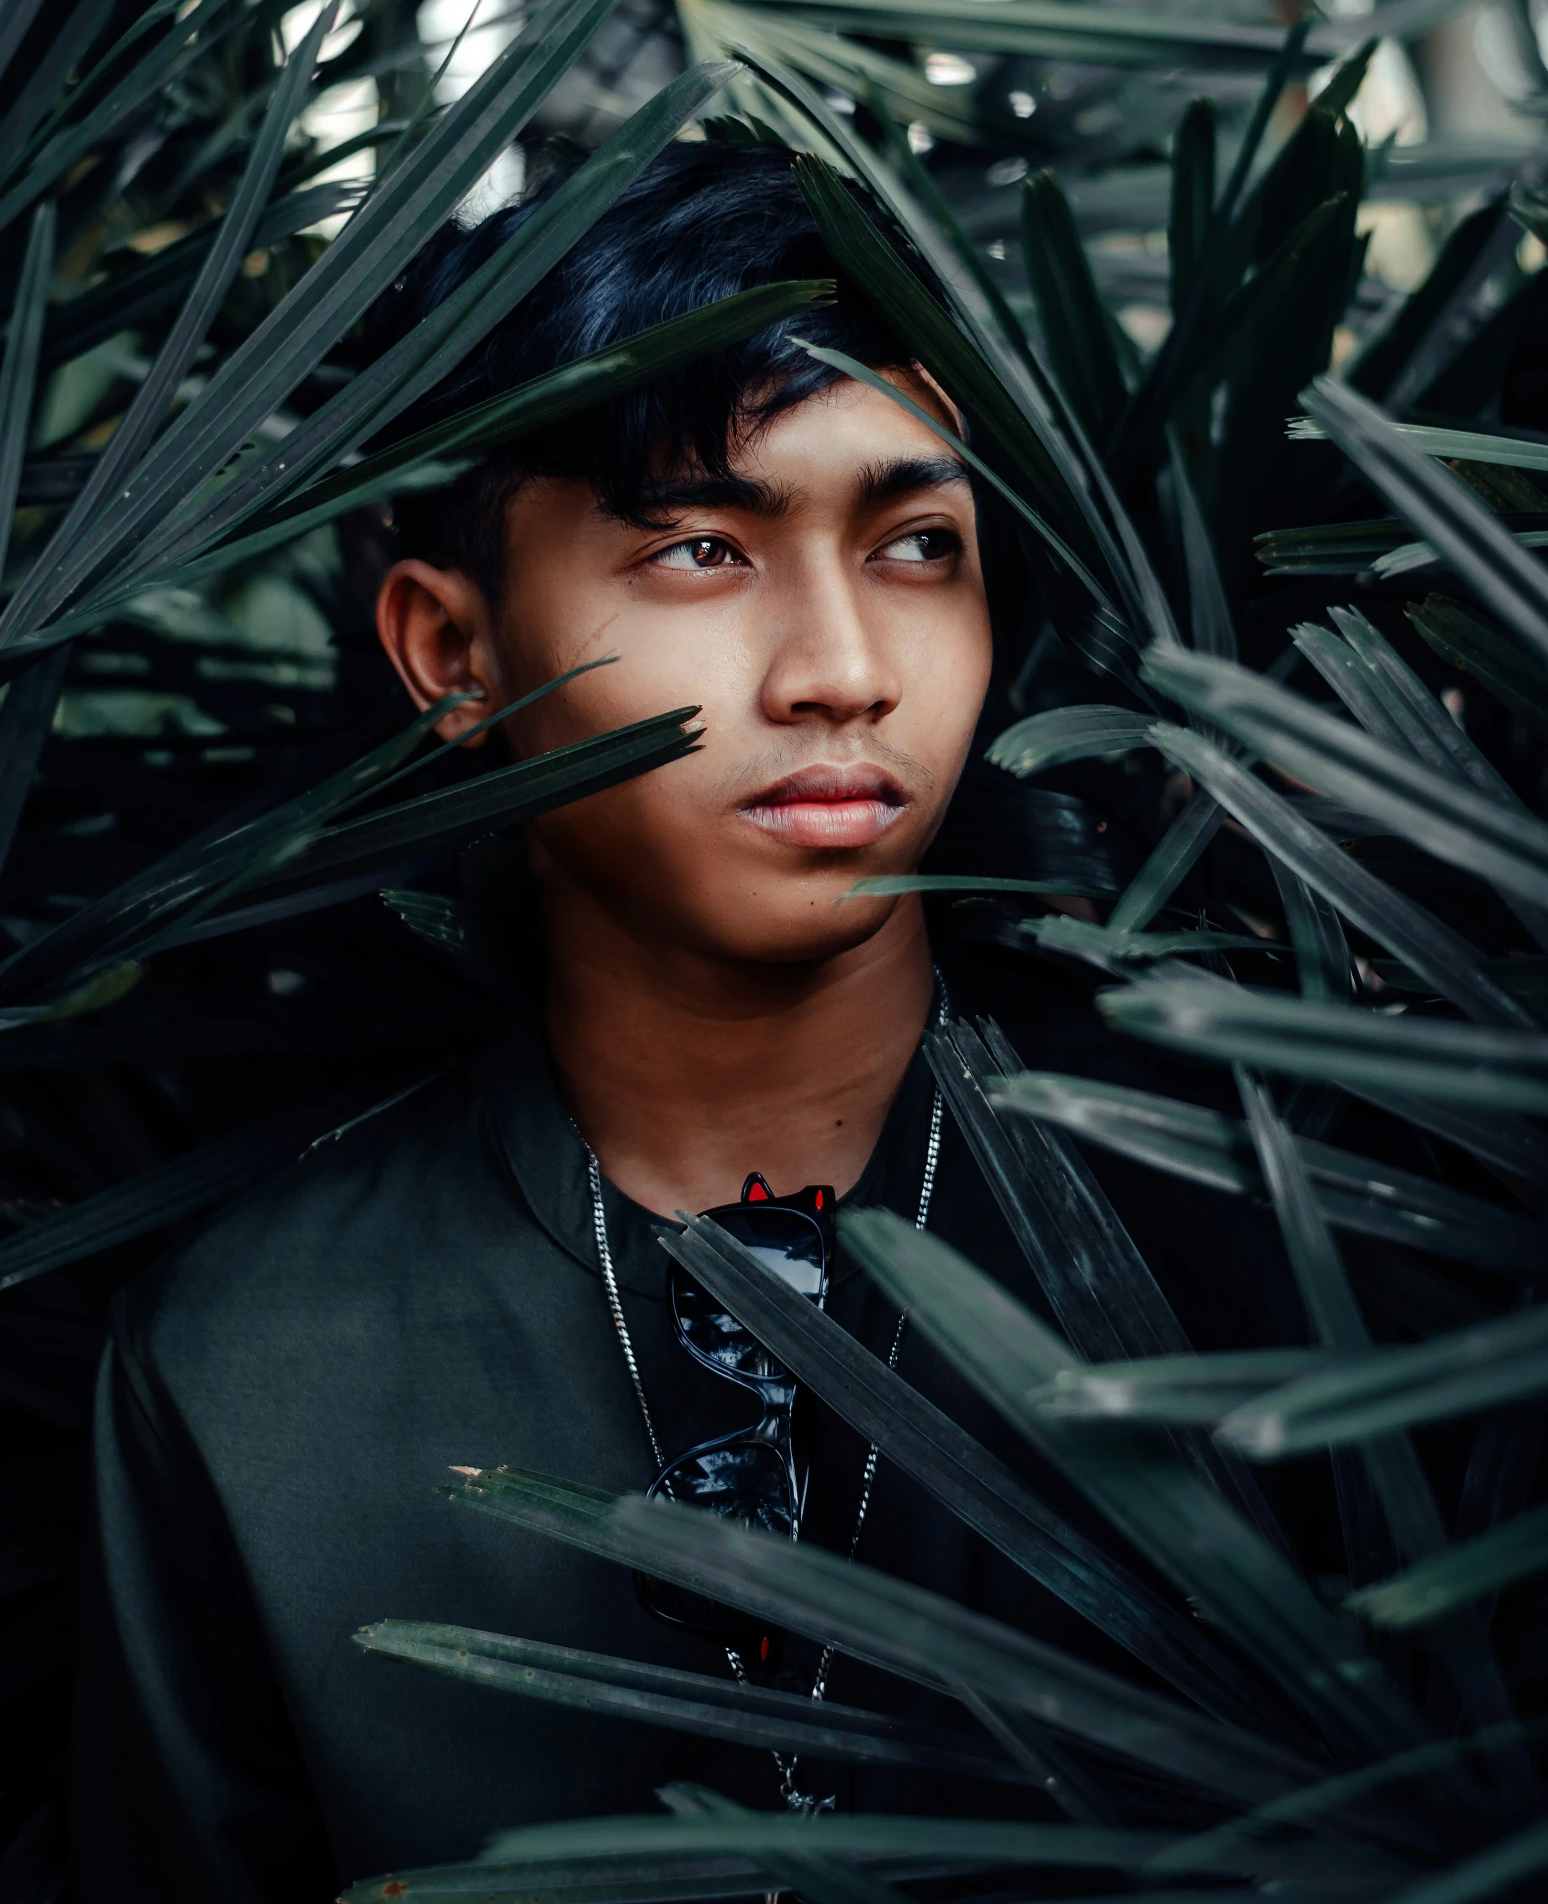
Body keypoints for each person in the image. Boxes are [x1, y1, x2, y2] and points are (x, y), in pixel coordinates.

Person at [71, 141, 1301, 1900]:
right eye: (706, 546)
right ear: (452, 652)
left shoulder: (1280, 1244)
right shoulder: (247, 1363)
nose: (839, 667)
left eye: (918, 545)